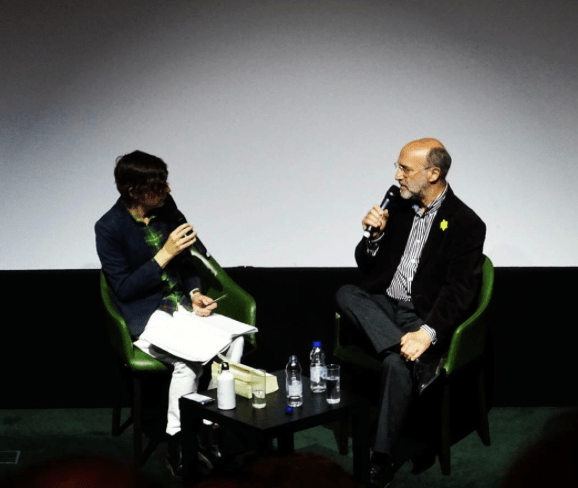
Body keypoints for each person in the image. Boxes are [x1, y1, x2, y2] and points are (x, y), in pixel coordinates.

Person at [335, 138, 486, 488]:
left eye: (405, 169)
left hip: (420, 315)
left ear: (433, 174)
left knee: (393, 364)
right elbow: (366, 267)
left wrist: (427, 333)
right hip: (384, 306)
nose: (397, 175)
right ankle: (416, 364)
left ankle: (381, 458)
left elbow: (460, 292)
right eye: (398, 167)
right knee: (345, 293)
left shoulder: (465, 223)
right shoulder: (401, 209)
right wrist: (374, 238)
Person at [95, 150, 251, 479]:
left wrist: (194, 293)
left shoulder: (167, 208)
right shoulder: (108, 227)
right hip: (146, 312)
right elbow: (123, 289)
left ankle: (209, 427)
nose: (167, 190)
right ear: (132, 190)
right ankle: (178, 441)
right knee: (189, 363)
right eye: (158, 186)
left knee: (236, 339)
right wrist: (163, 254)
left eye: (166, 183)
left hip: (179, 305)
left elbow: (187, 260)